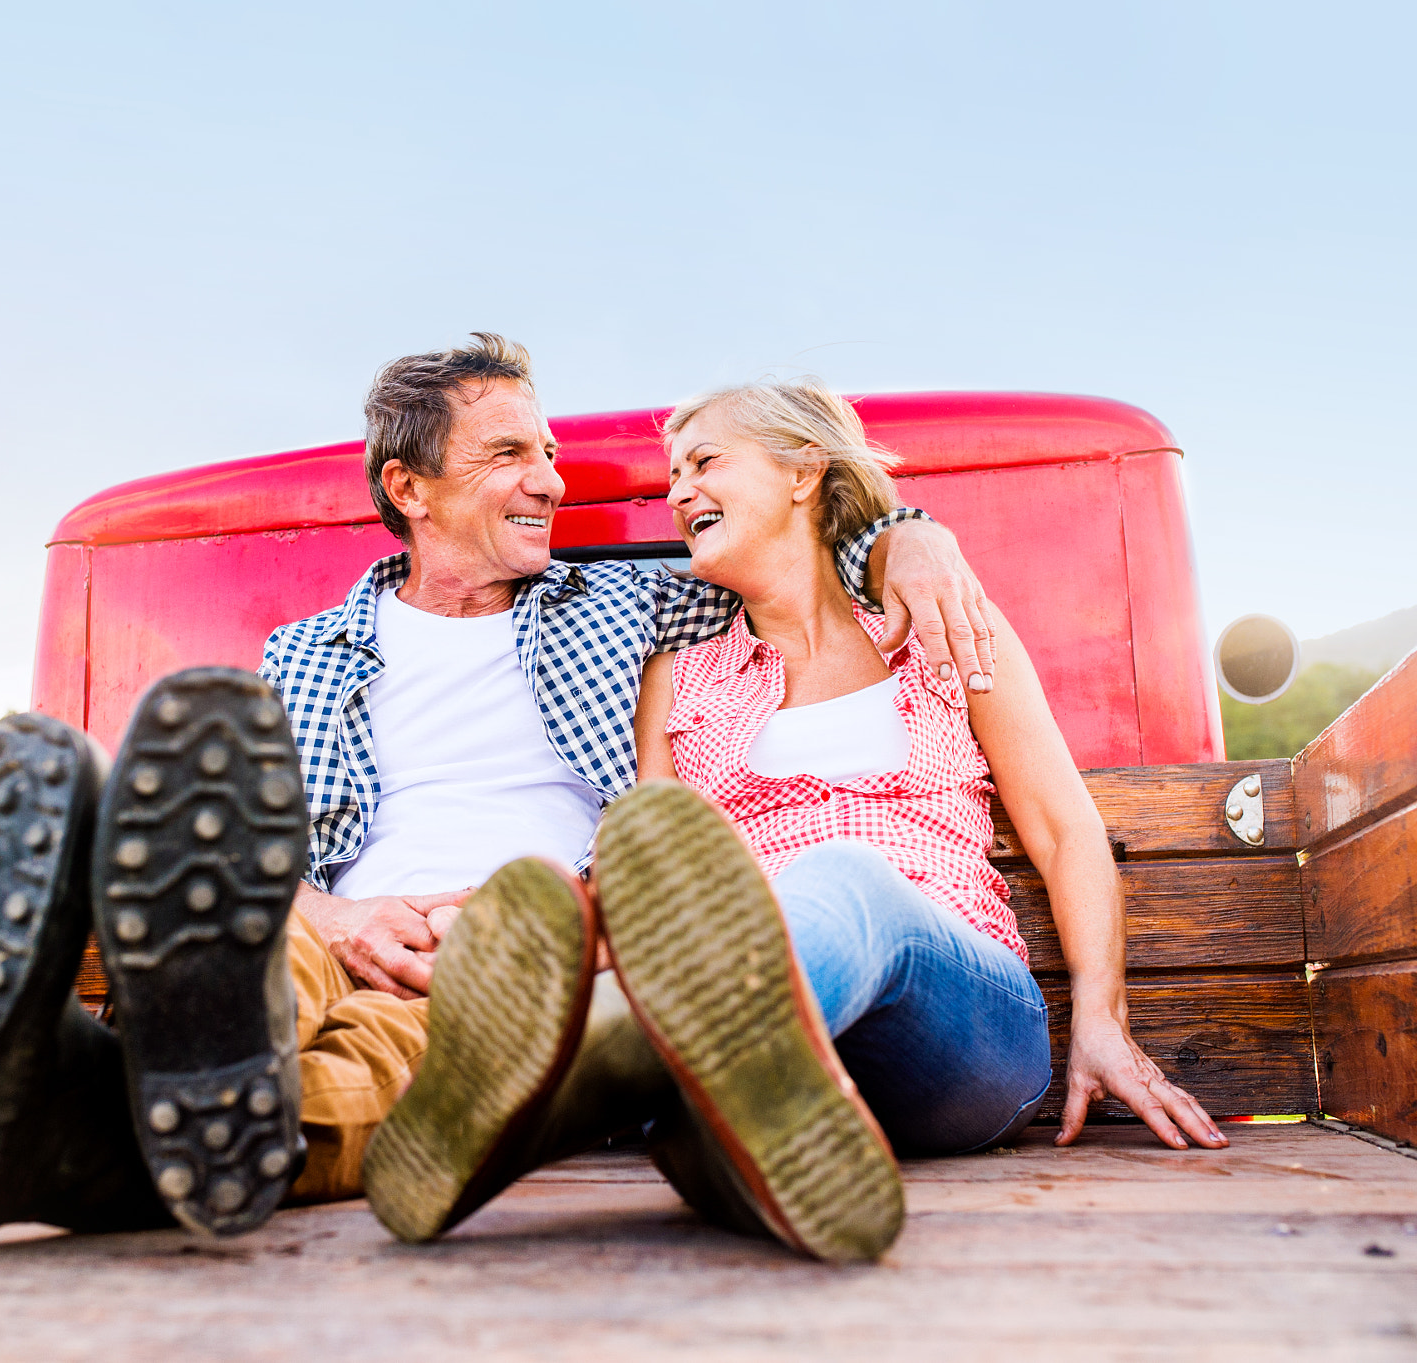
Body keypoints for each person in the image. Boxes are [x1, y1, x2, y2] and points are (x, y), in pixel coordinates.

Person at [0, 336, 997, 1253]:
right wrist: (332, 918)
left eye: (545, 454)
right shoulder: (303, 653)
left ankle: (46, 1100)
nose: (550, 480)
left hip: (506, 943)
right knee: (245, 963)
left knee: (388, 1061)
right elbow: (243, 847)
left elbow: (791, 567)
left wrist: (906, 533)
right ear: (410, 487)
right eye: (508, 457)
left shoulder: (630, 607)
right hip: (325, 921)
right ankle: (126, 1075)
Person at [379, 376, 1226, 1261]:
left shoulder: (943, 628)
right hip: (786, 1059)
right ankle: (724, 1124)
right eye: (673, 475)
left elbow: (1064, 829)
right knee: (660, 862)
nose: (678, 492)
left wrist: (1102, 1014)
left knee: (846, 878)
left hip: (962, 1031)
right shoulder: (679, 680)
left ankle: (588, 1085)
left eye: (705, 461)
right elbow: (655, 890)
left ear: (802, 471)